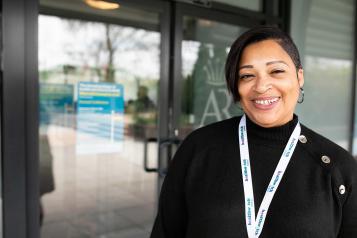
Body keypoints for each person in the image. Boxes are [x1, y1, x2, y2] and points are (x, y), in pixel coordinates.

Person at [149, 26, 357, 238]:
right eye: (247, 75)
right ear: (236, 87)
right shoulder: (199, 148)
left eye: (276, 71)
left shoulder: (337, 167)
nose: (261, 86)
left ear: (299, 77)